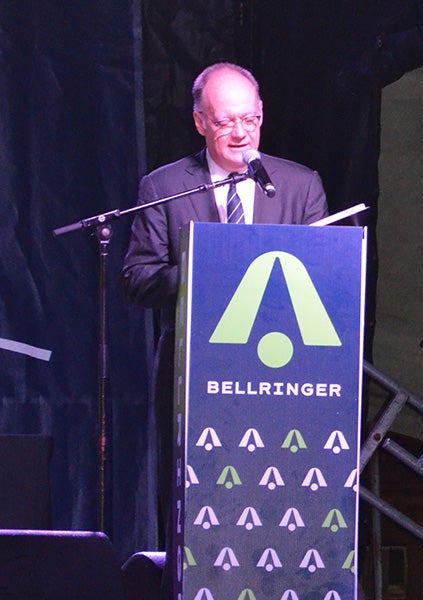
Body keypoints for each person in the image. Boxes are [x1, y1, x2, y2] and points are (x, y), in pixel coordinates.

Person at [120, 61, 328, 592]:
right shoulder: (164, 186)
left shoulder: (300, 185)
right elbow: (138, 278)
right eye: (225, 122)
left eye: (251, 120)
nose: (240, 134)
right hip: (194, 378)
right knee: (196, 508)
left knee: (276, 505)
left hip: (282, 378)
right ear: (199, 123)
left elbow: (327, 283)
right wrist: (204, 273)